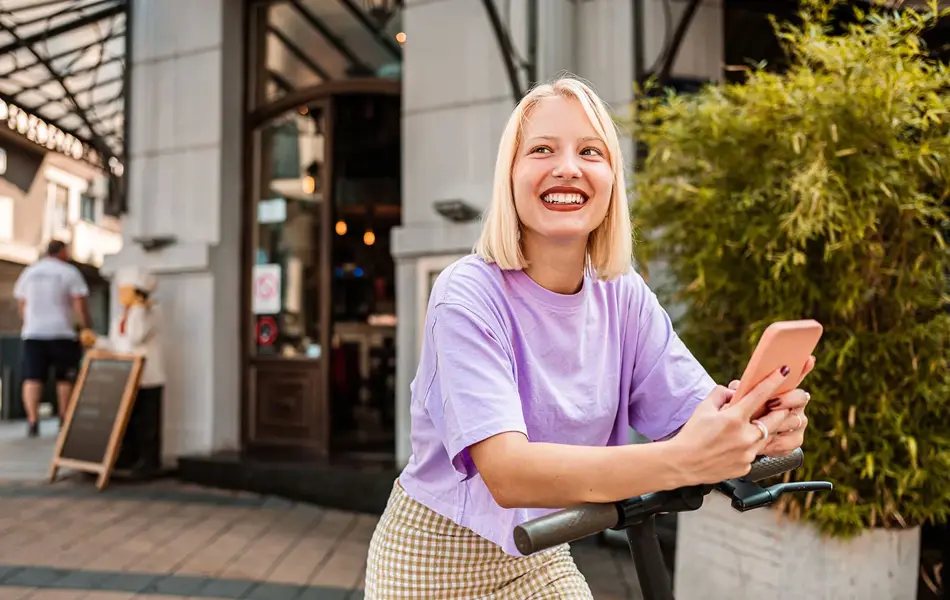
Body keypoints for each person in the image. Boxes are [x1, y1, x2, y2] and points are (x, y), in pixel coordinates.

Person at [363, 75, 816, 599]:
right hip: (432, 564)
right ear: (509, 176)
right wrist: (685, 459)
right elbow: (509, 474)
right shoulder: (465, 294)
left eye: (590, 151)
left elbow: (695, 416)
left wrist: (757, 425)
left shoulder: (622, 295)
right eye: (542, 150)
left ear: (611, 181)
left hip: (539, 553)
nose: (568, 168)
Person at [81, 266, 165, 477]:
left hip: (148, 377)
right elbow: (117, 344)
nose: (120, 294)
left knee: (147, 422)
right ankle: (126, 458)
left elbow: (136, 337)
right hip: (125, 377)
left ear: (137, 292)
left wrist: (137, 308)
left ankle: (148, 462)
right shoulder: (120, 316)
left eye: (125, 290)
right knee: (127, 420)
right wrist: (96, 341)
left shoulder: (151, 312)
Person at [13, 239, 92, 438]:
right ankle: (64, 420)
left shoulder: (29, 273)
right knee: (64, 378)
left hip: (33, 332)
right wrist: (85, 328)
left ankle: (32, 422)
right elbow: (79, 304)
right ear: (63, 252)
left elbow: (22, 304)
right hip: (62, 332)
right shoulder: (69, 272)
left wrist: (29, 322)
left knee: (32, 378)